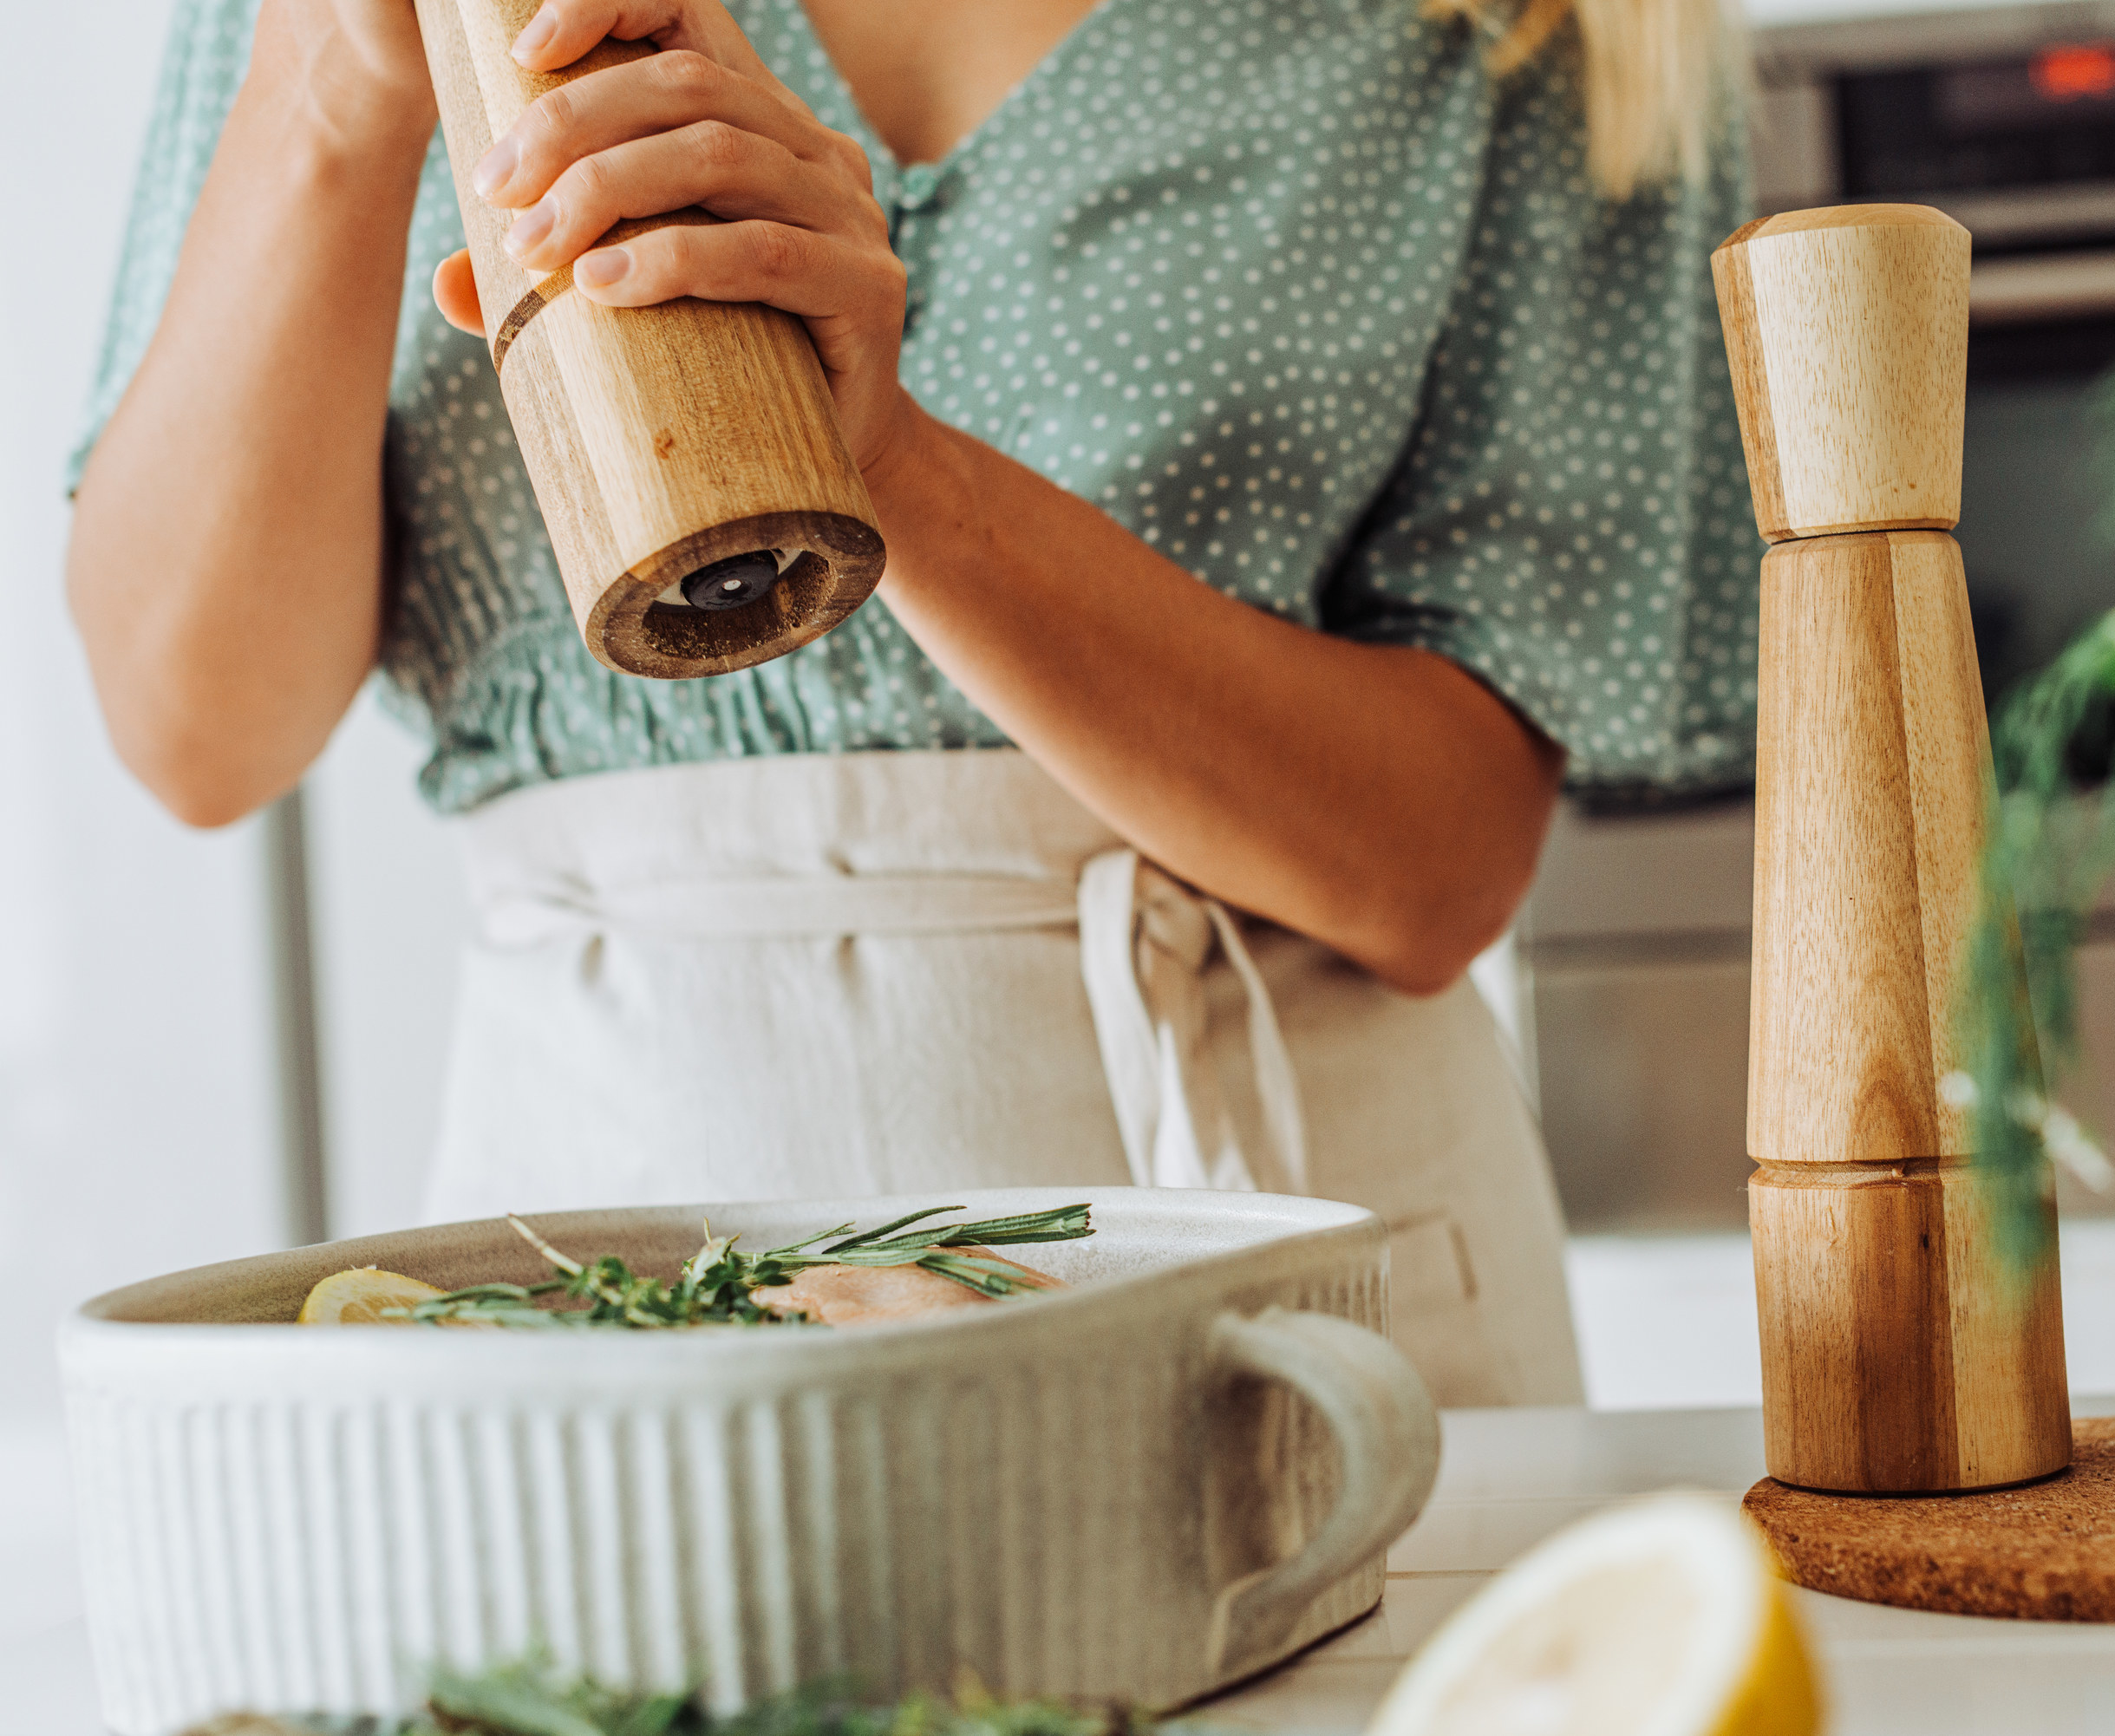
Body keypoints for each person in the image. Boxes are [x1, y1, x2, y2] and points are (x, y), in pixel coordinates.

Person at [67, 0, 1760, 1406]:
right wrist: (337, 87)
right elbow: (198, 728)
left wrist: (893, 468)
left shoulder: (1544, 28)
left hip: (1291, 1280)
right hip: (611, 1292)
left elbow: (1439, 866)